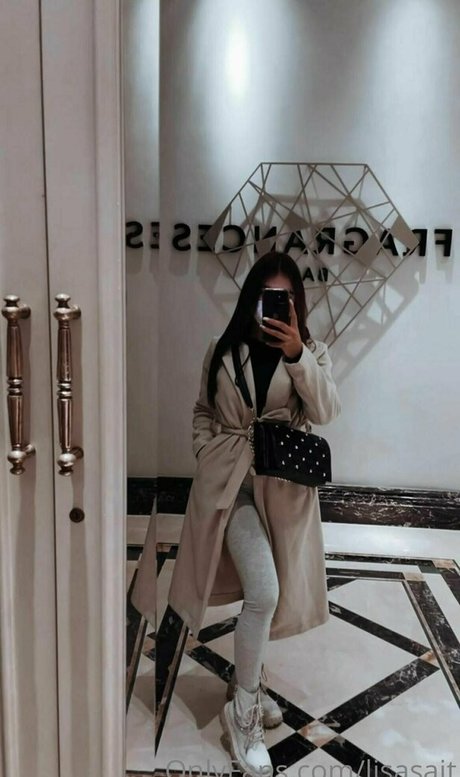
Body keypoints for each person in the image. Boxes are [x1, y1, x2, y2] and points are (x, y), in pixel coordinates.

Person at [167, 251, 341, 777]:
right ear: (252, 298)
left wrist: (297, 355)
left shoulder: (311, 352)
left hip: (282, 492)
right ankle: (242, 712)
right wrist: (205, 451)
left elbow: (326, 411)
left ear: (298, 303)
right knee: (263, 591)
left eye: (286, 298)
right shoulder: (223, 349)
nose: (277, 306)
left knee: (266, 592)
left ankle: (248, 680)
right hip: (229, 487)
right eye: (269, 296)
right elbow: (203, 409)